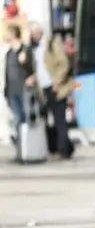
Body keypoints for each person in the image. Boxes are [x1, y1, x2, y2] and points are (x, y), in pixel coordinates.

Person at [29, 21, 74, 159]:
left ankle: (63, 150)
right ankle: (53, 147)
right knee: (46, 120)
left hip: (56, 87)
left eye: (35, 32)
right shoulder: (33, 48)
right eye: (32, 33)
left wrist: (57, 81)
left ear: (40, 32)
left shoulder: (52, 44)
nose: (33, 35)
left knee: (59, 119)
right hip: (43, 89)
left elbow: (64, 64)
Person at [3, 23, 34, 134]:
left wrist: (25, 63)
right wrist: (6, 90)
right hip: (12, 90)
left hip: (23, 88)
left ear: (13, 34)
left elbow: (32, 69)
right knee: (17, 117)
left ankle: (27, 140)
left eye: (8, 33)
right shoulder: (8, 53)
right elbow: (7, 72)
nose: (6, 36)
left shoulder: (25, 49)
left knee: (25, 116)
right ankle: (19, 141)